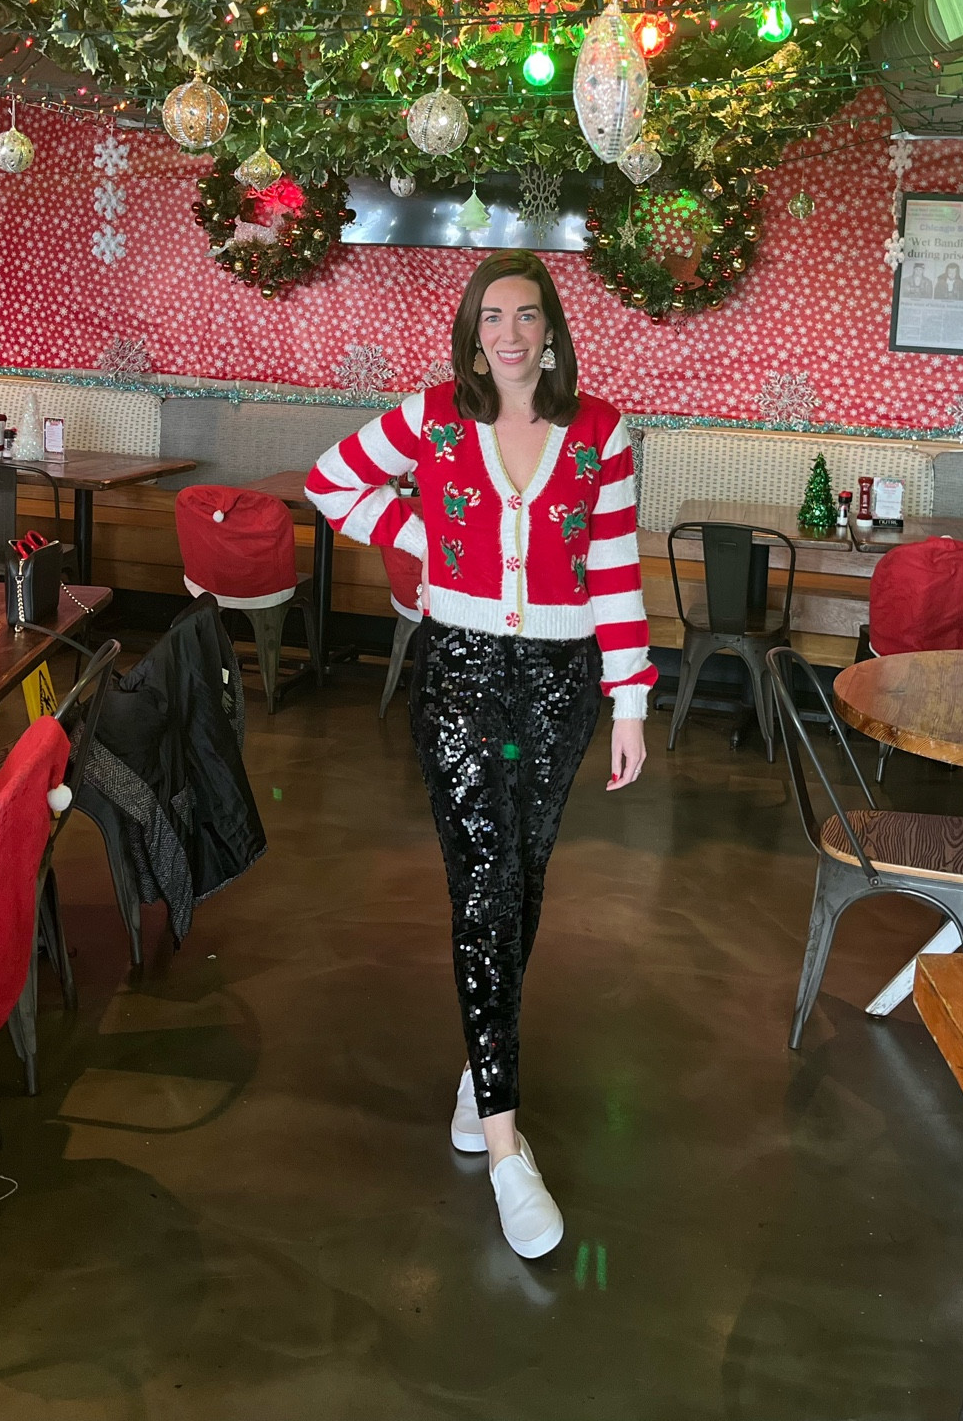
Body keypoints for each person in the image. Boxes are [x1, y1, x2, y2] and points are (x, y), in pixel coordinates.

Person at [306, 252, 653, 1258]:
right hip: (457, 672)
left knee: (526, 875)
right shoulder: (432, 418)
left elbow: (619, 573)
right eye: (491, 316)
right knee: (486, 884)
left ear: (552, 330)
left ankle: (478, 1062)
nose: (508, 333)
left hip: (559, 683)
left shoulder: (601, 434)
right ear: (470, 331)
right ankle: (507, 1145)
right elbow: (333, 484)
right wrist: (416, 529)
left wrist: (630, 703)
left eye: (527, 315)